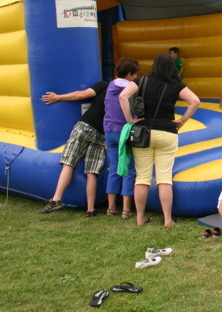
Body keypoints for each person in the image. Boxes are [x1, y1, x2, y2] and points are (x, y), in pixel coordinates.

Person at [119, 53, 200, 227]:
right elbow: (195, 101)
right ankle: (167, 219)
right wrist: (182, 120)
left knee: (142, 178)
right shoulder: (176, 84)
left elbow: (122, 96)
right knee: (164, 178)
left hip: (143, 133)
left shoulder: (141, 81)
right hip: (167, 133)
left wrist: (130, 120)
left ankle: (140, 217)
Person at [38, 80, 109, 216]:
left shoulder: (105, 85)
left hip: (85, 127)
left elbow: (81, 95)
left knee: (69, 162)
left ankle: (56, 199)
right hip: (101, 134)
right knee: (92, 171)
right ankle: (90, 209)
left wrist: (58, 97)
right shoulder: (126, 93)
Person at [103, 57, 139, 219]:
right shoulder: (131, 88)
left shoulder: (111, 85)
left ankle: (111, 208)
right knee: (129, 169)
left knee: (114, 168)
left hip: (109, 131)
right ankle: (126, 209)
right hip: (124, 130)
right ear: (131, 74)